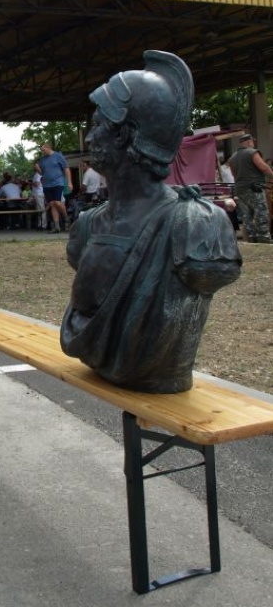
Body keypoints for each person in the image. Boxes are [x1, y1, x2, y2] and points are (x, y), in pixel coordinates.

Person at [61, 51, 241, 393]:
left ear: (124, 135)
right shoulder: (87, 226)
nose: (89, 137)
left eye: (98, 125)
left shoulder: (196, 225)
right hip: (101, 369)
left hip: (155, 377)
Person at [228, 133, 273, 243]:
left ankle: (252, 239)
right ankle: (264, 238)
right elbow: (263, 167)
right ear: (249, 142)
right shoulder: (252, 152)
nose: (253, 143)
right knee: (261, 212)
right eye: (252, 141)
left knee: (246, 216)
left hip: (240, 189)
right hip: (254, 188)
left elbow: (234, 175)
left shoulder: (232, 158)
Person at [39, 142, 72, 233]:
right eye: (41, 150)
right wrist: (38, 170)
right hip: (46, 185)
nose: (42, 152)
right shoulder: (42, 160)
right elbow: (43, 172)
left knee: (57, 202)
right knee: (52, 204)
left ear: (48, 148)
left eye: (43, 150)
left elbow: (66, 169)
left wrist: (69, 182)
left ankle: (66, 218)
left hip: (58, 183)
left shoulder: (58, 156)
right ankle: (57, 227)